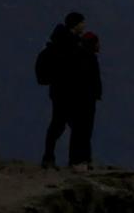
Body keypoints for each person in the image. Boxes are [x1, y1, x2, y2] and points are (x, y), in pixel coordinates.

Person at [41, 11, 103, 171]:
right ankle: (56, 159)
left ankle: (58, 158)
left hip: (64, 92)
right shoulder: (68, 44)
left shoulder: (68, 41)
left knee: (63, 125)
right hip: (64, 93)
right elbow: (71, 70)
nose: (84, 25)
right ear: (76, 24)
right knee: (61, 124)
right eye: (82, 22)